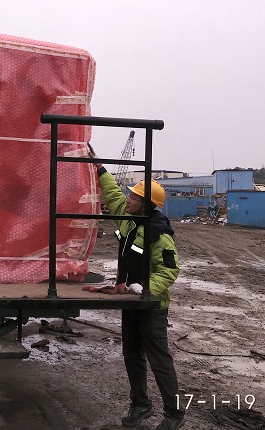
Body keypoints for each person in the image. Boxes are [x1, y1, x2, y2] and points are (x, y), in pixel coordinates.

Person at [95, 164, 185, 430]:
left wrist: (145, 288)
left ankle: (175, 413)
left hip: (151, 306)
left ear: (146, 204)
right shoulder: (127, 217)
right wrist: (99, 169)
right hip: (131, 303)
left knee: (159, 359)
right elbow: (112, 195)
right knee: (132, 354)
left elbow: (170, 270)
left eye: (133, 197)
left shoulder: (159, 234)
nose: (128, 199)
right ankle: (141, 404)